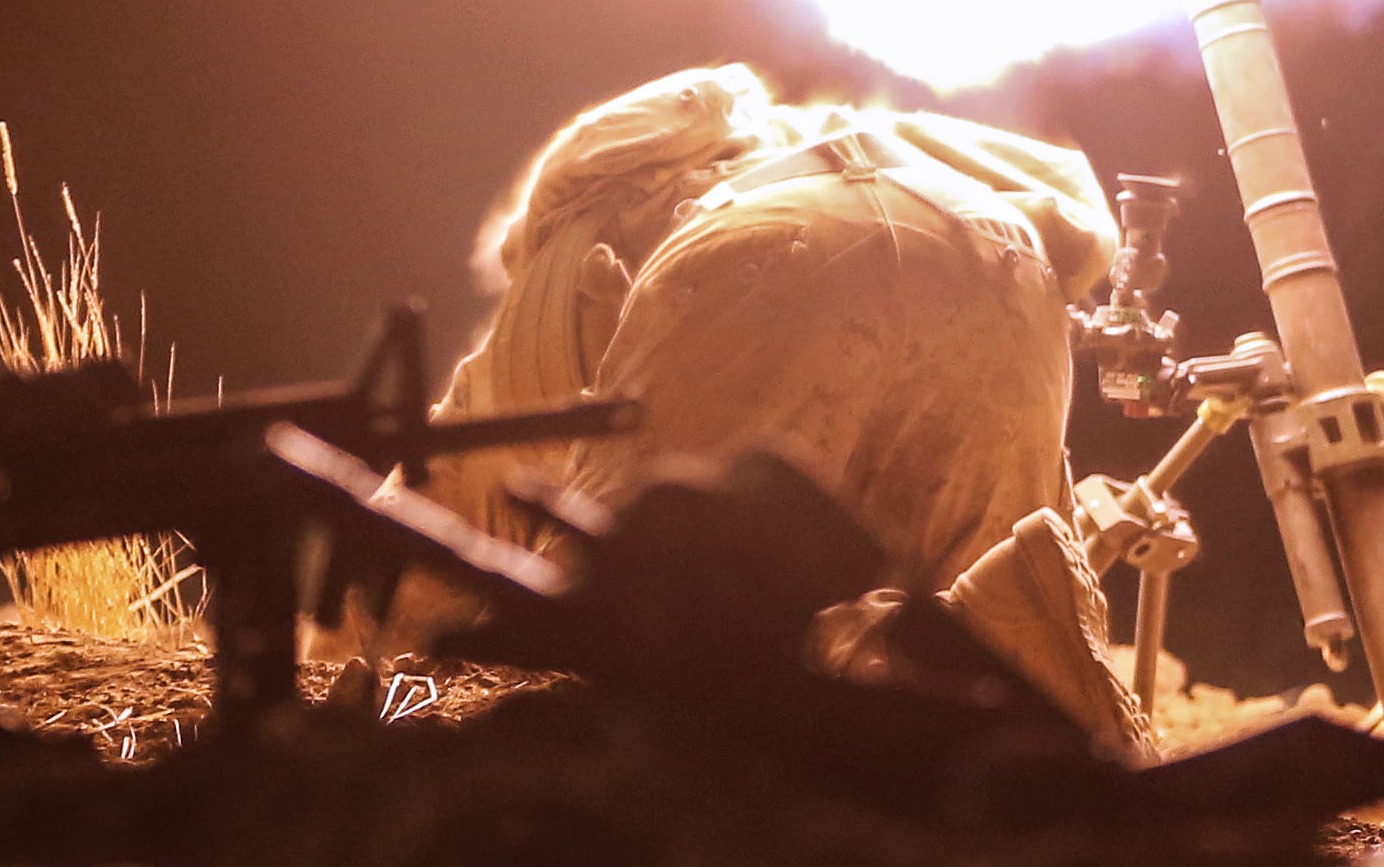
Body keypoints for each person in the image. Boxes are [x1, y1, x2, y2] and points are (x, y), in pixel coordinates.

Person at [424, 62, 1147, 750]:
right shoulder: (796, 143)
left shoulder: (554, 262)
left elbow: (478, 469)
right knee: (974, 623)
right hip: (997, 241)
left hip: (771, 249)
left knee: (641, 606)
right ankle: (1077, 779)